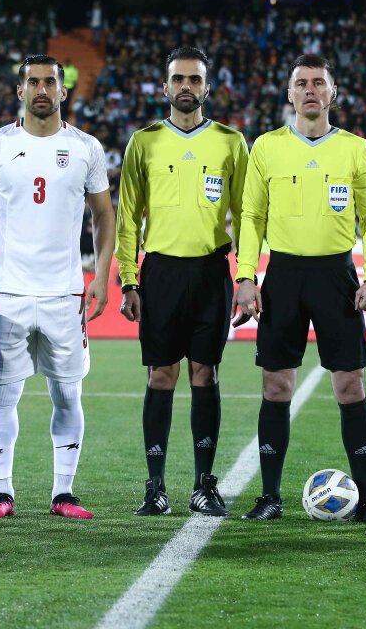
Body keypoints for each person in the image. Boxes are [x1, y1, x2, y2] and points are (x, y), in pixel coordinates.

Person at [0, 54, 115, 520]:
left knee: (67, 395)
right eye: (33, 82)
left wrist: (101, 275)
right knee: (3, 396)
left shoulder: (86, 148)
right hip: (9, 294)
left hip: (65, 295)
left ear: (64, 91)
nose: (41, 89)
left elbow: (104, 216)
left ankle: (63, 492)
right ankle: (1, 493)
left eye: (50, 82)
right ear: (20, 90)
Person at [234, 53, 366, 523]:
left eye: (318, 83)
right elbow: (251, 216)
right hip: (282, 275)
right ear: (289, 93)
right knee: (276, 384)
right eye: (301, 83)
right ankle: (270, 497)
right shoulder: (266, 148)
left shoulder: (357, 150)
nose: (310, 91)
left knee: (350, 384)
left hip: (337, 276)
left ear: (332, 92)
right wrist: (245, 276)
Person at [116, 46, 248, 517]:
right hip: (160, 273)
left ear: (207, 87)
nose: (186, 86)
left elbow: (247, 215)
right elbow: (128, 218)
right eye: (178, 79)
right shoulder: (144, 142)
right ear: (165, 87)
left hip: (211, 271)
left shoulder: (231, 142)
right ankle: (155, 486)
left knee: (205, 373)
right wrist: (128, 279)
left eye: (194, 79)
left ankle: (203, 484)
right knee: (161, 374)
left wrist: (247, 274)